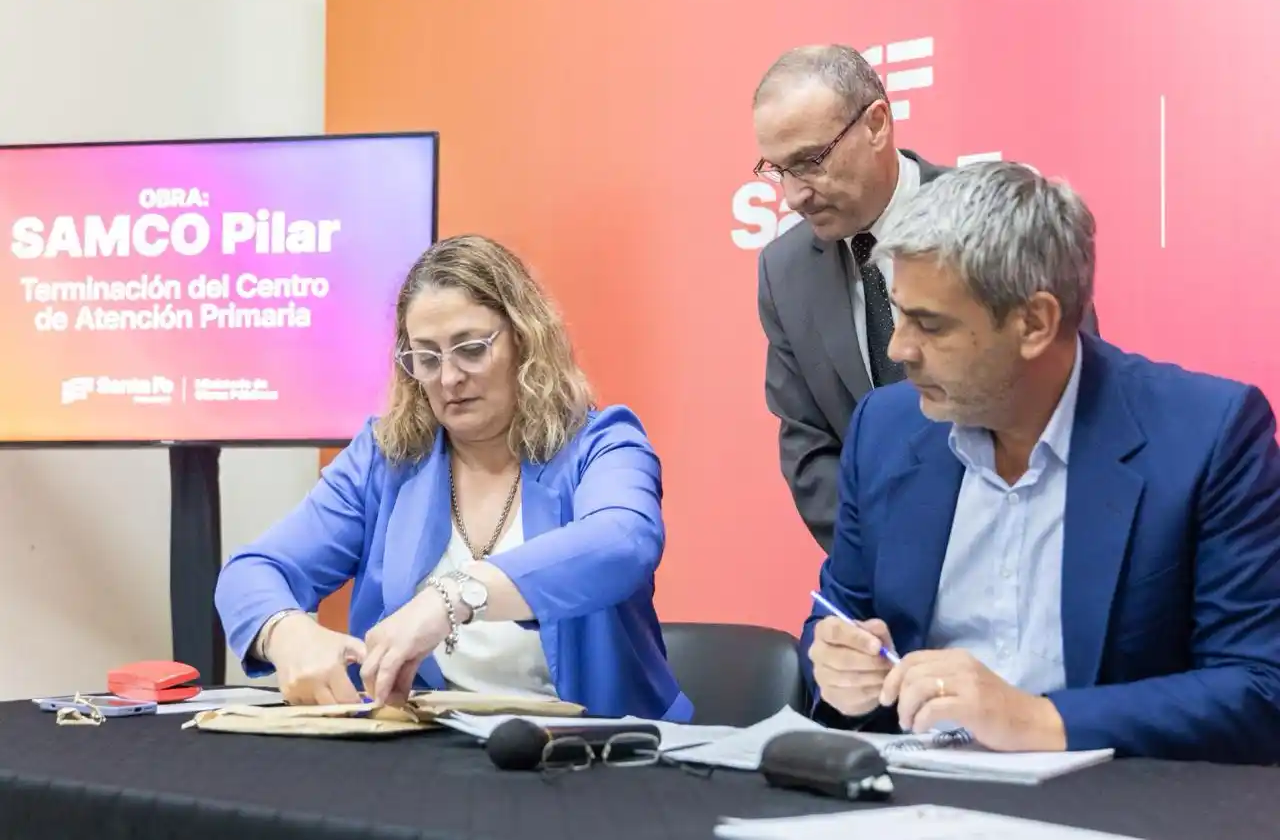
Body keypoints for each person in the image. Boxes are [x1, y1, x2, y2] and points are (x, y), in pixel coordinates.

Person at [802, 161, 1280, 765]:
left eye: (930, 324)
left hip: (1114, 804)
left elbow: (1259, 689)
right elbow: (839, 618)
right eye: (900, 312)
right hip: (914, 798)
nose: (899, 349)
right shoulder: (885, 431)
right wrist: (841, 671)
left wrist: (1036, 718)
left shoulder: (1207, 435)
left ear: (1034, 323)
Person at [215, 234, 692, 721]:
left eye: (470, 349)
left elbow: (623, 541)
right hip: (432, 757)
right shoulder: (385, 459)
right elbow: (252, 571)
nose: (448, 378)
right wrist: (286, 631)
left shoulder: (602, 443)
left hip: (599, 758)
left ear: (525, 340)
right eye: (426, 357)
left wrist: (453, 597)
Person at [752, 45, 1098, 552]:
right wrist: (886, 557)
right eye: (778, 169)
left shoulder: (998, 218)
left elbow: (1072, 386)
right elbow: (808, 446)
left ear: (876, 124)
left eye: (810, 162)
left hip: (1036, 544)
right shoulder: (784, 271)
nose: (794, 195)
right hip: (887, 574)